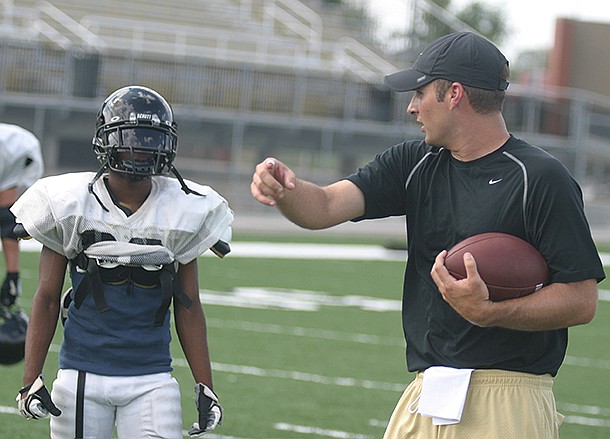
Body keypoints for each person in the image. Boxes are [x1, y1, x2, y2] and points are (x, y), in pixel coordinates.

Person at [250, 31, 606, 439]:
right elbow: (326, 207)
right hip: (427, 389)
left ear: (454, 94)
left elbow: (581, 301)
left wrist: (492, 312)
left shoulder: (540, 178)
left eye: (420, 93)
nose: (411, 107)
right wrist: (286, 190)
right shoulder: (413, 161)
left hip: (509, 395)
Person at [12, 85, 234, 438]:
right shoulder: (69, 204)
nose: (141, 148)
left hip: (152, 378)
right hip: (82, 375)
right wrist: (31, 379)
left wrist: (205, 385)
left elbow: (189, 305)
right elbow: (47, 296)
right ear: (107, 139)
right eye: (131, 136)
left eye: (150, 138)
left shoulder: (185, 210)